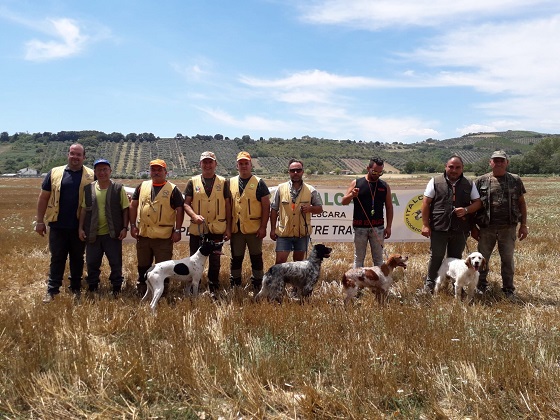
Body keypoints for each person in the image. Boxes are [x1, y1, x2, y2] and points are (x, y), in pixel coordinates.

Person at [36, 143, 95, 303]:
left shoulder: (91, 175)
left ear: (84, 157)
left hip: (80, 226)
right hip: (58, 225)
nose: (75, 157)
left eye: (78, 154)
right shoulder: (54, 173)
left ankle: (75, 288)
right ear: (68, 155)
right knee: (57, 258)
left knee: (77, 258)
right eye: (72, 153)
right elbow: (43, 197)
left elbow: (103, 194)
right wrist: (39, 221)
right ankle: (52, 290)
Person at [421, 155, 482, 293]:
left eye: (457, 167)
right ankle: (430, 284)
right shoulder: (435, 181)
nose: (454, 170)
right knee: (436, 256)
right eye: (451, 167)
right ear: (445, 167)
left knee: (456, 259)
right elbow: (426, 203)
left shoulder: (469, 183)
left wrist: (466, 210)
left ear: (462, 168)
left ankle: (456, 285)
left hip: (460, 228)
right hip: (439, 227)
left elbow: (478, 203)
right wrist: (425, 224)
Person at [472, 150, 528, 298]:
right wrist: (473, 228)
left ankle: (508, 289)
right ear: (490, 163)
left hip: (508, 228)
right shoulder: (481, 181)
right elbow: (473, 205)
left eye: (501, 160)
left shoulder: (515, 180)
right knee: (481, 259)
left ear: (507, 163)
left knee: (508, 261)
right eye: (495, 160)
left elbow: (522, 204)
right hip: (486, 228)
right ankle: (481, 286)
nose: (498, 163)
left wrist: (523, 225)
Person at [129, 159, 184, 296]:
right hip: (144, 235)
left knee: (163, 267)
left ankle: (162, 293)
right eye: (153, 169)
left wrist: (177, 230)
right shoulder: (142, 186)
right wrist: (132, 225)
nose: (156, 172)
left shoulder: (173, 189)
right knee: (143, 266)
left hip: (163, 237)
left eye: (160, 170)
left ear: (166, 172)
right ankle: (142, 290)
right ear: (150, 172)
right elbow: (133, 205)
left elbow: (179, 209)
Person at [78, 159, 129, 296]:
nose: (102, 172)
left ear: (110, 171)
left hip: (112, 235)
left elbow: (125, 209)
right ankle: (93, 286)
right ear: (94, 172)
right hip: (92, 234)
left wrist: (125, 228)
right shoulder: (88, 189)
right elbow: (83, 210)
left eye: (105, 169)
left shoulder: (118, 188)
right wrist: (81, 228)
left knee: (115, 263)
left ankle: (116, 287)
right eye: (99, 170)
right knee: (92, 263)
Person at [184, 151, 232, 294]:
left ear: (215, 164)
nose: (207, 165)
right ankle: (192, 288)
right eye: (204, 162)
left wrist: (228, 228)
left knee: (215, 261)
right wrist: (194, 215)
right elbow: (186, 204)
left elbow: (228, 206)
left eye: (210, 162)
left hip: (217, 229)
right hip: (198, 229)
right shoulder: (192, 182)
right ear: (200, 164)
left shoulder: (223, 182)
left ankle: (213, 288)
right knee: (194, 261)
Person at [229, 151, 270, 292]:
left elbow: (266, 207)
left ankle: (258, 283)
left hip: (254, 229)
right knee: (236, 257)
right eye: (241, 163)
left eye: (246, 163)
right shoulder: (230, 182)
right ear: (237, 166)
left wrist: (263, 227)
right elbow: (228, 207)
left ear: (251, 165)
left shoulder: (259, 183)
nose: (244, 166)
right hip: (237, 229)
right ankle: (235, 283)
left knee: (256, 257)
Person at [341, 157, 393, 267]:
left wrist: (388, 227)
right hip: (360, 228)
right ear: (368, 168)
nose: (377, 174)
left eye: (380, 172)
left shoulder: (384, 186)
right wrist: (352, 195)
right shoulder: (356, 183)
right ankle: (358, 283)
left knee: (379, 259)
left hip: (378, 228)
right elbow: (343, 201)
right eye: (374, 171)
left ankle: (379, 283)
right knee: (359, 259)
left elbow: (389, 207)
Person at [269, 159, 323, 264]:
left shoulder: (311, 190)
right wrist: (272, 229)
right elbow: (274, 210)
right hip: (284, 233)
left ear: (302, 172)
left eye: (298, 170)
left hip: (302, 234)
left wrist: (310, 208)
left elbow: (320, 209)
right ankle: (279, 281)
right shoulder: (280, 188)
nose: (295, 173)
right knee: (280, 263)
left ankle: (294, 281)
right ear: (288, 172)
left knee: (298, 264)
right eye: (292, 170)